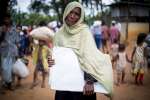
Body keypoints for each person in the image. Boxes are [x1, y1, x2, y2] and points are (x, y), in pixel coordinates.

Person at [48, 1, 113, 100]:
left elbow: (91, 57)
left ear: (80, 16)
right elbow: (56, 55)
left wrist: (90, 81)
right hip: (63, 84)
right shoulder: (59, 34)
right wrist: (51, 61)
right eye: (71, 12)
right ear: (66, 12)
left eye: (76, 14)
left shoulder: (84, 32)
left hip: (82, 85)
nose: (72, 16)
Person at [0, 14, 20, 90]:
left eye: (8, 18)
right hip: (4, 52)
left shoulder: (14, 30)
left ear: (10, 19)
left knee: (12, 69)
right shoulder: (1, 29)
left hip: (12, 52)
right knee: (4, 68)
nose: (6, 20)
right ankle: (4, 83)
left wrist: (17, 53)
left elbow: (17, 42)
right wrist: (3, 32)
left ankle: (11, 84)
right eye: (5, 19)